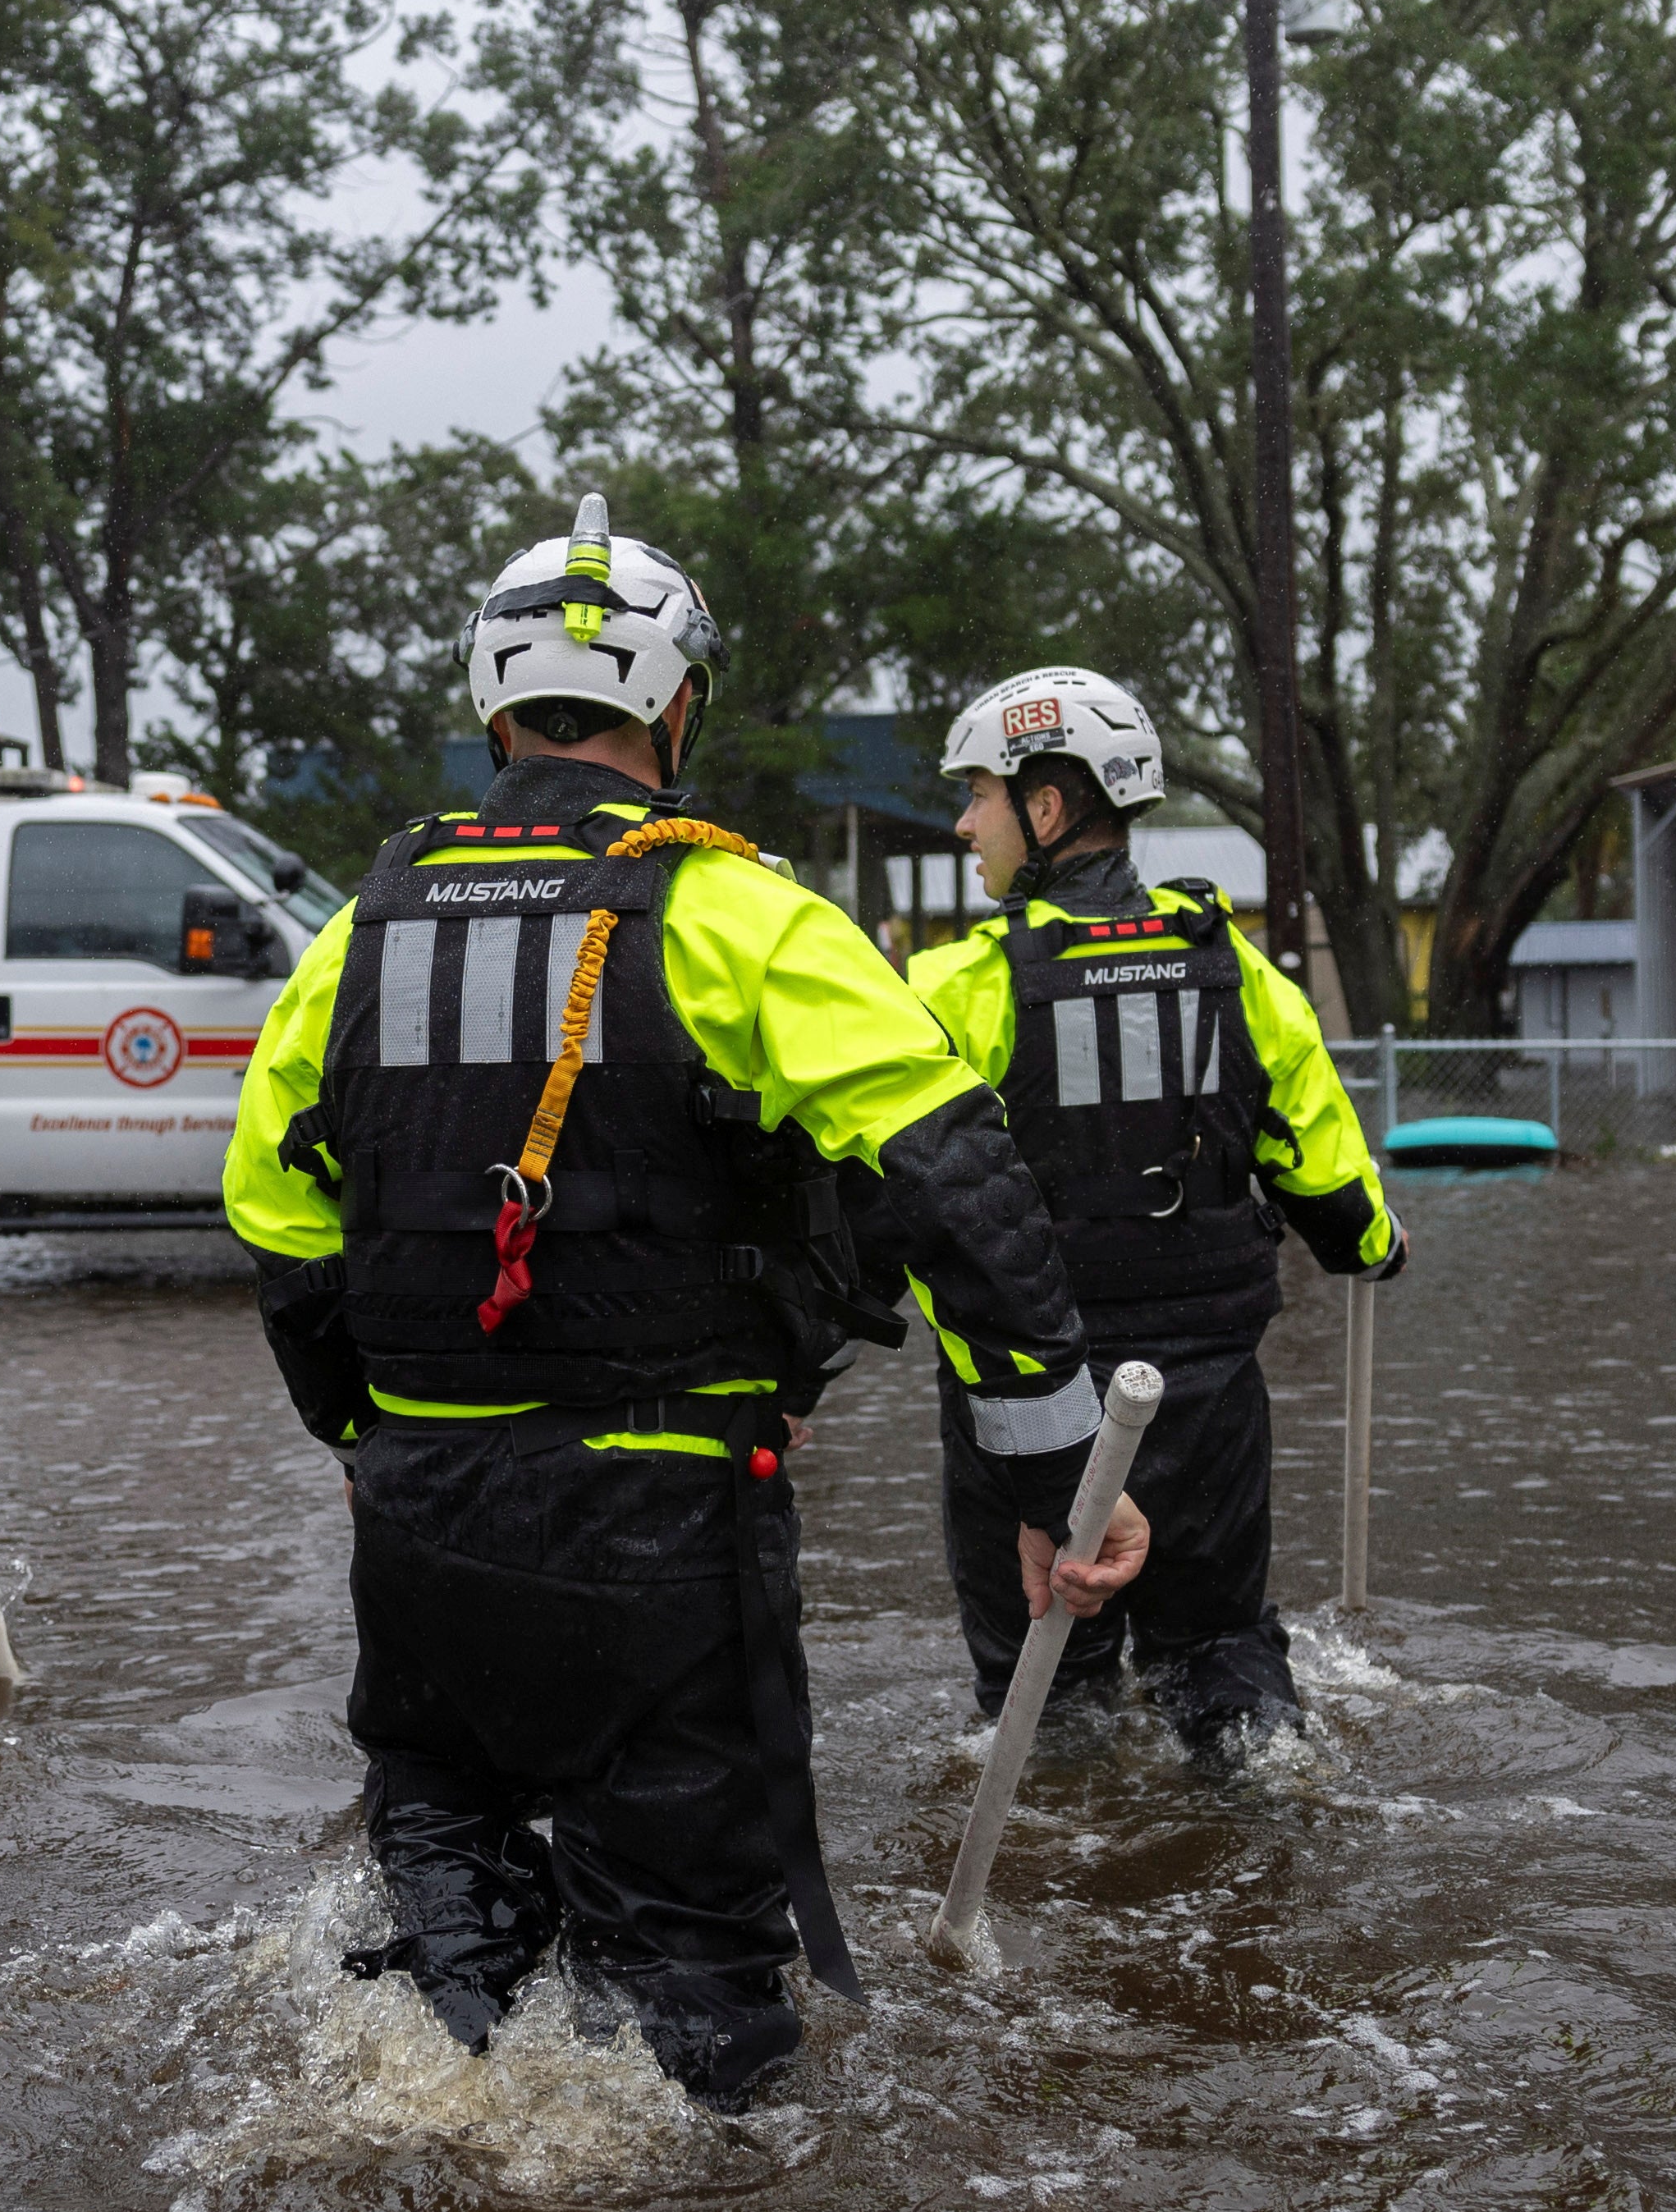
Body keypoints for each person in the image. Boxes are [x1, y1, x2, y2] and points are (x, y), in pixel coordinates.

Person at [226, 497, 1150, 2109]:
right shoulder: (746, 914)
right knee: (700, 1994)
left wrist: (368, 1432)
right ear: (675, 709)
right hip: (661, 1527)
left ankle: (446, 2187)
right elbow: (956, 1183)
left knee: (447, 1927)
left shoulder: (352, 940)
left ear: (497, 709)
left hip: (424, 1528)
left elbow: (275, 1216)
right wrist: (1054, 1481)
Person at [910, 666, 1398, 1756]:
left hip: (1025, 1402)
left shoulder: (957, 989)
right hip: (1207, 1401)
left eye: (979, 794)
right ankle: (1265, 1792)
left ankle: (1069, 1867)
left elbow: (885, 1197)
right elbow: (1335, 1197)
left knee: (1047, 1697)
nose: (962, 822)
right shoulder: (1242, 977)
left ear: (1047, 807)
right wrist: (1379, 1241)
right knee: (1220, 1654)